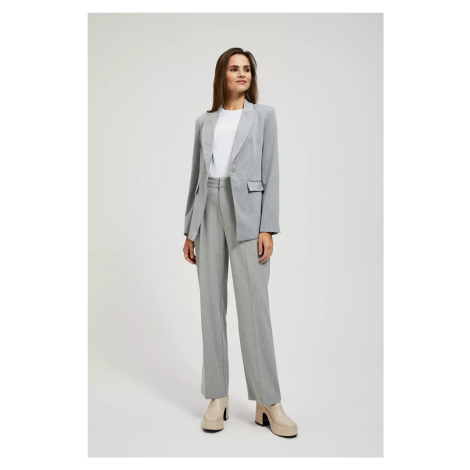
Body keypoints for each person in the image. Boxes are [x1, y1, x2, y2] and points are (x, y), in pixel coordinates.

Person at [182, 48, 298, 438]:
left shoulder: (264, 116)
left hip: (248, 214)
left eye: (247, 69)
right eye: (234, 68)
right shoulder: (204, 121)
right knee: (210, 308)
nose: (242, 74)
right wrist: (190, 229)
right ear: (223, 75)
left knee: (254, 309)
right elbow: (196, 177)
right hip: (208, 212)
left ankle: (268, 401)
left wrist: (268, 227)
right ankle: (217, 396)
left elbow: (271, 172)